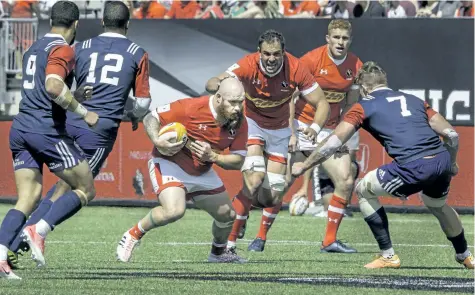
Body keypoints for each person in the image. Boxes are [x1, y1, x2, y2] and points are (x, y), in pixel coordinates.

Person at [7, 1, 152, 268]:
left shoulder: (80, 47)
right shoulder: (137, 52)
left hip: (67, 121)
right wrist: (134, 116)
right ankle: (37, 231)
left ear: (101, 22)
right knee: (83, 188)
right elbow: (142, 103)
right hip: (98, 129)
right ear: (127, 24)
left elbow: (62, 85)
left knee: (58, 188)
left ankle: (13, 246)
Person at [292, 61, 474, 269]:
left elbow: (333, 143)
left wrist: (304, 165)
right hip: (440, 160)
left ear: (363, 88)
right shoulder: (414, 99)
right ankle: (465, 255)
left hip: (414, 166)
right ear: (384, 82)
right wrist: (451, 163)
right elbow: (452, 135)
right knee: (437, 205)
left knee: (363, 189)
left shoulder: (362, 106)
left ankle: (388, 256)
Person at [205, 29, 329, 252]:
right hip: (251, 124)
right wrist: (215, 84)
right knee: (254, 180)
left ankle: (243, 208)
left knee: (272, 196)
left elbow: (322, 103)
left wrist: (315, 127)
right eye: (267, 54)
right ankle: (230, 243)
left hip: (280, 130)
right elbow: (219, 79)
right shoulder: (247, 65)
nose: (271, 59)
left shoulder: (296, 68)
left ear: (283, 53)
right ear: (258, 52)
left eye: (276, 54)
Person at [0, 1, 98, 279]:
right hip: (45, 131)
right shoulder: (64, 49)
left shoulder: (33, 47)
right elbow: (54, 86)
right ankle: (38, 229)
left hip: (20, 127)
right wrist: (83, 111)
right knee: (86, 187)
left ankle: (0, 255)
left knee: (28, 197)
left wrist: (73, 97)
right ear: (75, 24)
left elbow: (43, 90)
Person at [245, 20, 362, 253]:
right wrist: (290, 132)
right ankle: (259, 237)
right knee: (282, 183)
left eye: (345, 38)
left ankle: (329, 241)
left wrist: (341, 136)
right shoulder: (310, 60)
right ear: (327, 38)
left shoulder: (355, 65)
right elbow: (290, 98)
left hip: (327, 131)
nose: (340, 42)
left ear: (350, 40)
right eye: (336, 37)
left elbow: (351, 103)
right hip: (301, 125)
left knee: (346, 180)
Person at [116, 77, 248, 263]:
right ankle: (132, 235)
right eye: (232, 102)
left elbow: (238, 160)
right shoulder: (191, 108)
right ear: (218, 98)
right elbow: (150, 117)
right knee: (174, 211)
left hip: (202, 170)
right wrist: (157, 140)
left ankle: (218, 254)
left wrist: (214, 157)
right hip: (170, 163)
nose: (237, 107)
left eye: (241, 102)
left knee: (228, 216)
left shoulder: (239, 121)